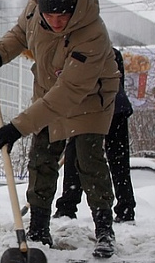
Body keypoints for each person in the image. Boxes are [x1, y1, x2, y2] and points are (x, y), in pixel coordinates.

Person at [0, 0, 121, 259]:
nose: (56, 22)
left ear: (74, 9)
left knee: (88, 160)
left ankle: (104, 228)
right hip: (48, 90)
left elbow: (68, 93)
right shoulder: (35, 10)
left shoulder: (92, 33)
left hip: (88, 97)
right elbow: (21, 33)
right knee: (42, 159)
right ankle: (39, 228)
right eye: (51, 15)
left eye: (63, 16)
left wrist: (17, 127)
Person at [54, 49, 136, 222]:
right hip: (116, 106)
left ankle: (67, 207)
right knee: (119, 160)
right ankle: (126, 209)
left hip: (94, 108)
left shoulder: (75, 52)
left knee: (76, 156)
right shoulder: (112, 52)